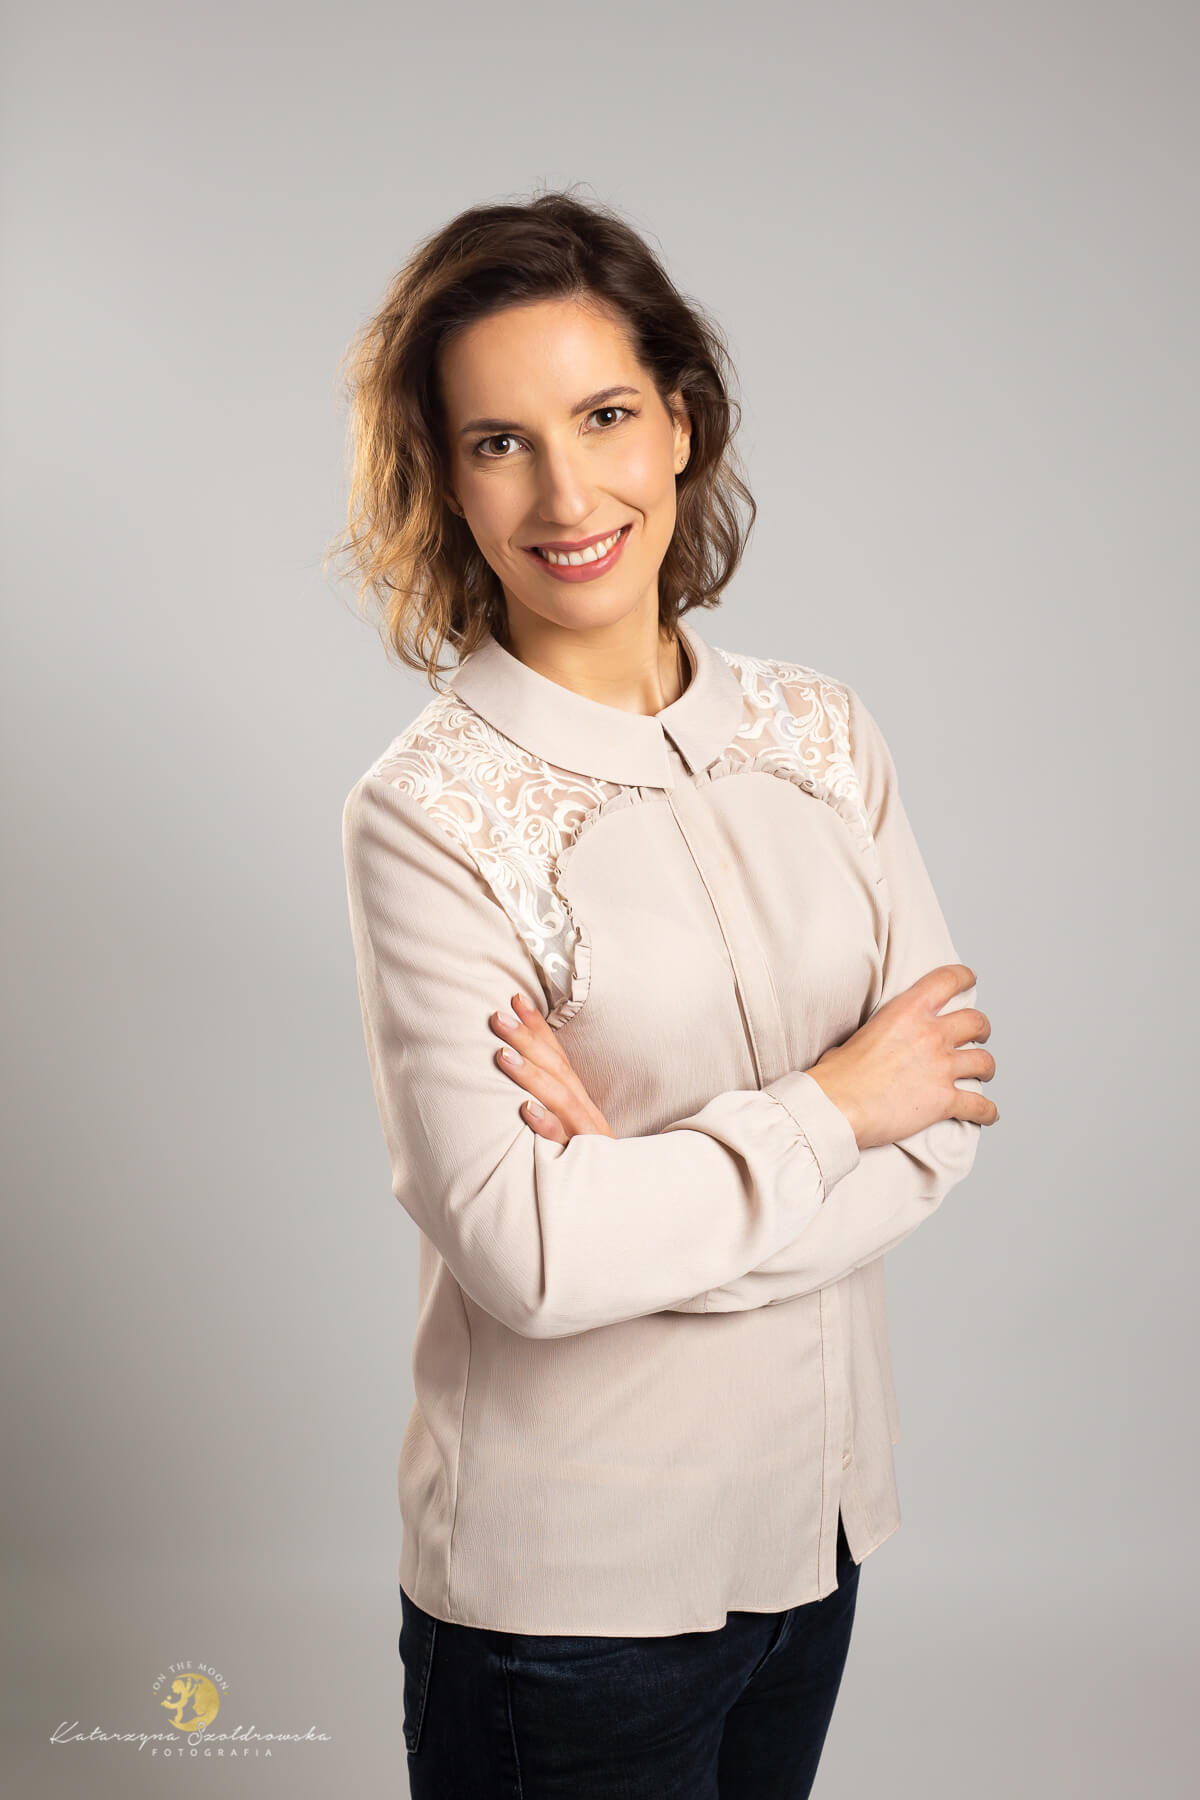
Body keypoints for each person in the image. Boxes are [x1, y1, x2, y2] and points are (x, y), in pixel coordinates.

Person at [331, 187, 999, 1799]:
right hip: (568, 1606)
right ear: (447, 478)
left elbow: (944, 1119)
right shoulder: (425, 815)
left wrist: (642, 1196)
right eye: (499, 442)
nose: (567, 493)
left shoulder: (824, 732)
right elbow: (528, 1255)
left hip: (817, 1545)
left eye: (606, 416)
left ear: (681, 424)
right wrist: (830, 1109)